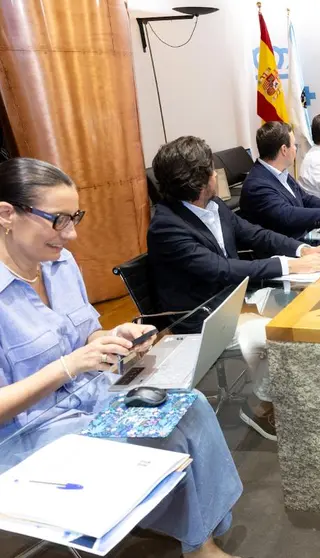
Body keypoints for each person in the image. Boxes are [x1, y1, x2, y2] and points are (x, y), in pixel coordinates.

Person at [0, 157, 243, 558]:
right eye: (59, 220)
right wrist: (68, 366)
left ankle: (201, 529)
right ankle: (198, 541)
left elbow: (86, 333)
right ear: (7, 214)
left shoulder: (59, 264)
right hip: (30, 434)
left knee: (188, 406)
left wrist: (113, 336)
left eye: (74, 217)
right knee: (156, 433)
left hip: (89, 397)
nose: (72, 234)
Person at [147, 136, 320, 440]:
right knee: (283, 333)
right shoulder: (167, 227)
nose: (215, 174)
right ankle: (259, 405)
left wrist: (301, 251)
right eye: (211, 169)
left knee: (311, 305)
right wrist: (287, 265)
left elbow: (254, 234)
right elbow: (222, 270)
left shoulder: (212, 204)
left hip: (237, 298)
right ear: (200, 181)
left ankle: (288, 393)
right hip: (205, 315)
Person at [241, 122, 320, 239]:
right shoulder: (257, 185)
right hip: (284, 251)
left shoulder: (279, 172)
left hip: (302, 238)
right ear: (284, 150)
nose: (296, 149)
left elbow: (305, 198)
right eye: (294, 145)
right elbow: (288, 215)